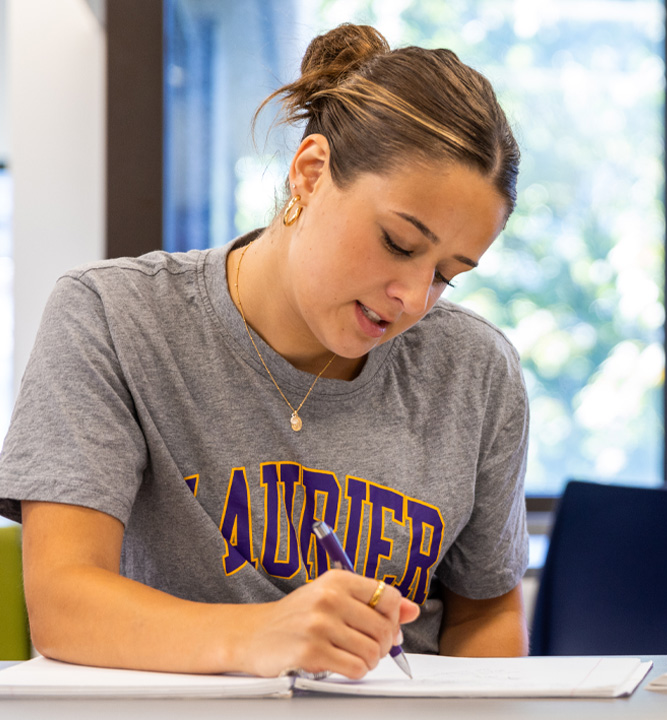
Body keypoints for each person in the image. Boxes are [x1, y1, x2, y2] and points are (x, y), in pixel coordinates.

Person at [0, 23, 529, 678]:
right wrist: (259, 636)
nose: (414, 297)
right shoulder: (111, 318)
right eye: (398, 242)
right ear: (310, 173)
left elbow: (487, 613)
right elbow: (63, 602)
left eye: (449, 273)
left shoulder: (477, 371)